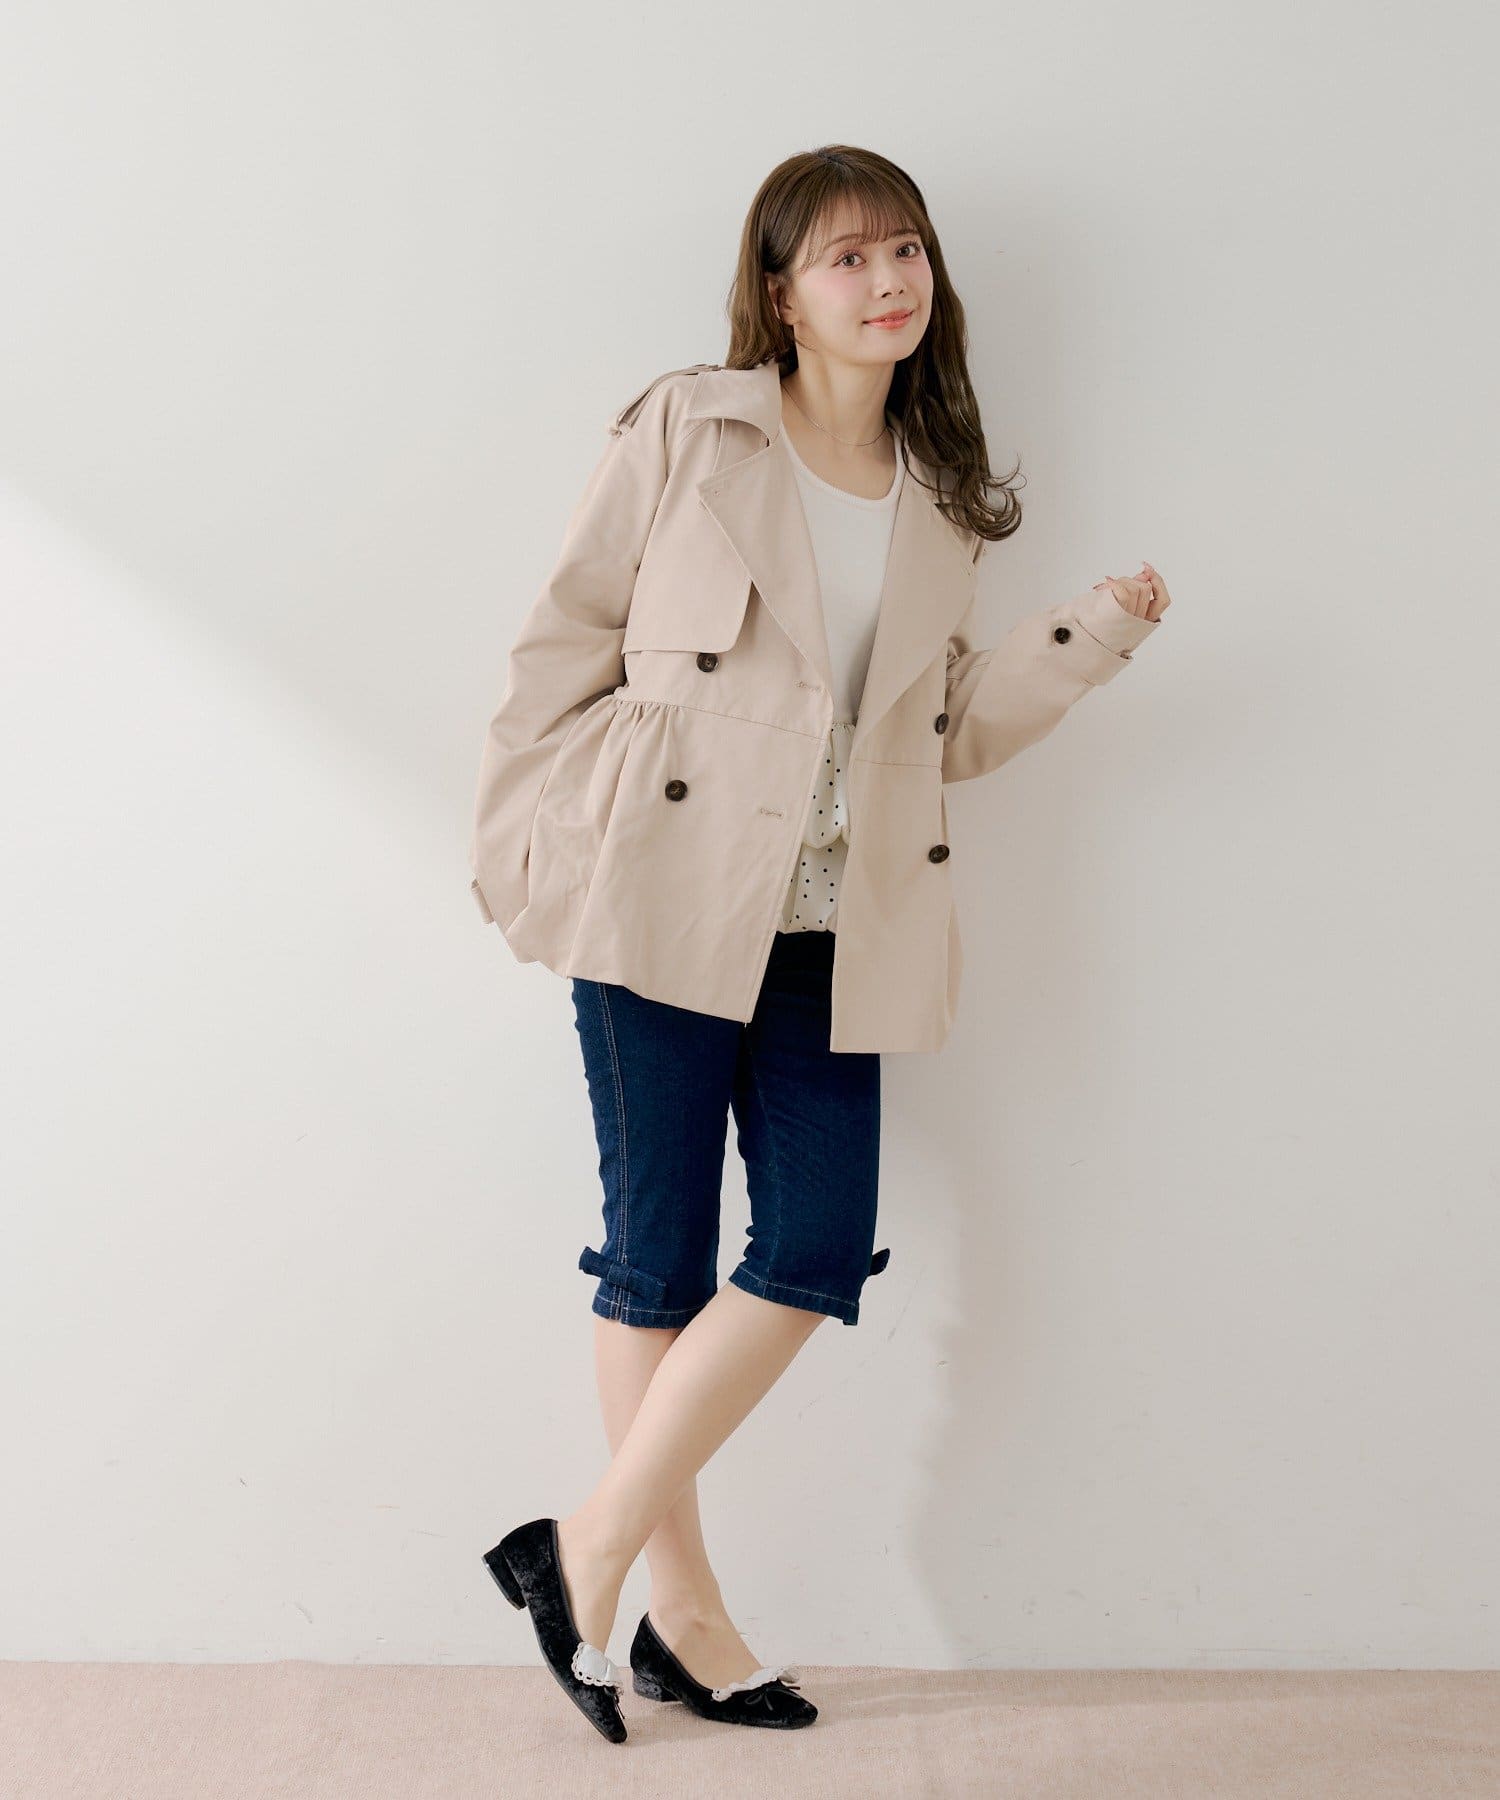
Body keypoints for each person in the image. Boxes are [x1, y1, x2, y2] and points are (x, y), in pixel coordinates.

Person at [473, 145, 1172, 1744]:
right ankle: (684, 1619)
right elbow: (565, 637)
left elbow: (942, 734)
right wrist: (523, 837)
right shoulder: (694, 427)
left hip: (830, 925)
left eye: (906, 248)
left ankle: (581, 1555)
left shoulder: (941, 493)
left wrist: (1090, 637)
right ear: (780, 294)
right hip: (656, 894)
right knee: (655, 1259)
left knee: (811, 1248)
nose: (887, 279)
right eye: (847, 256)